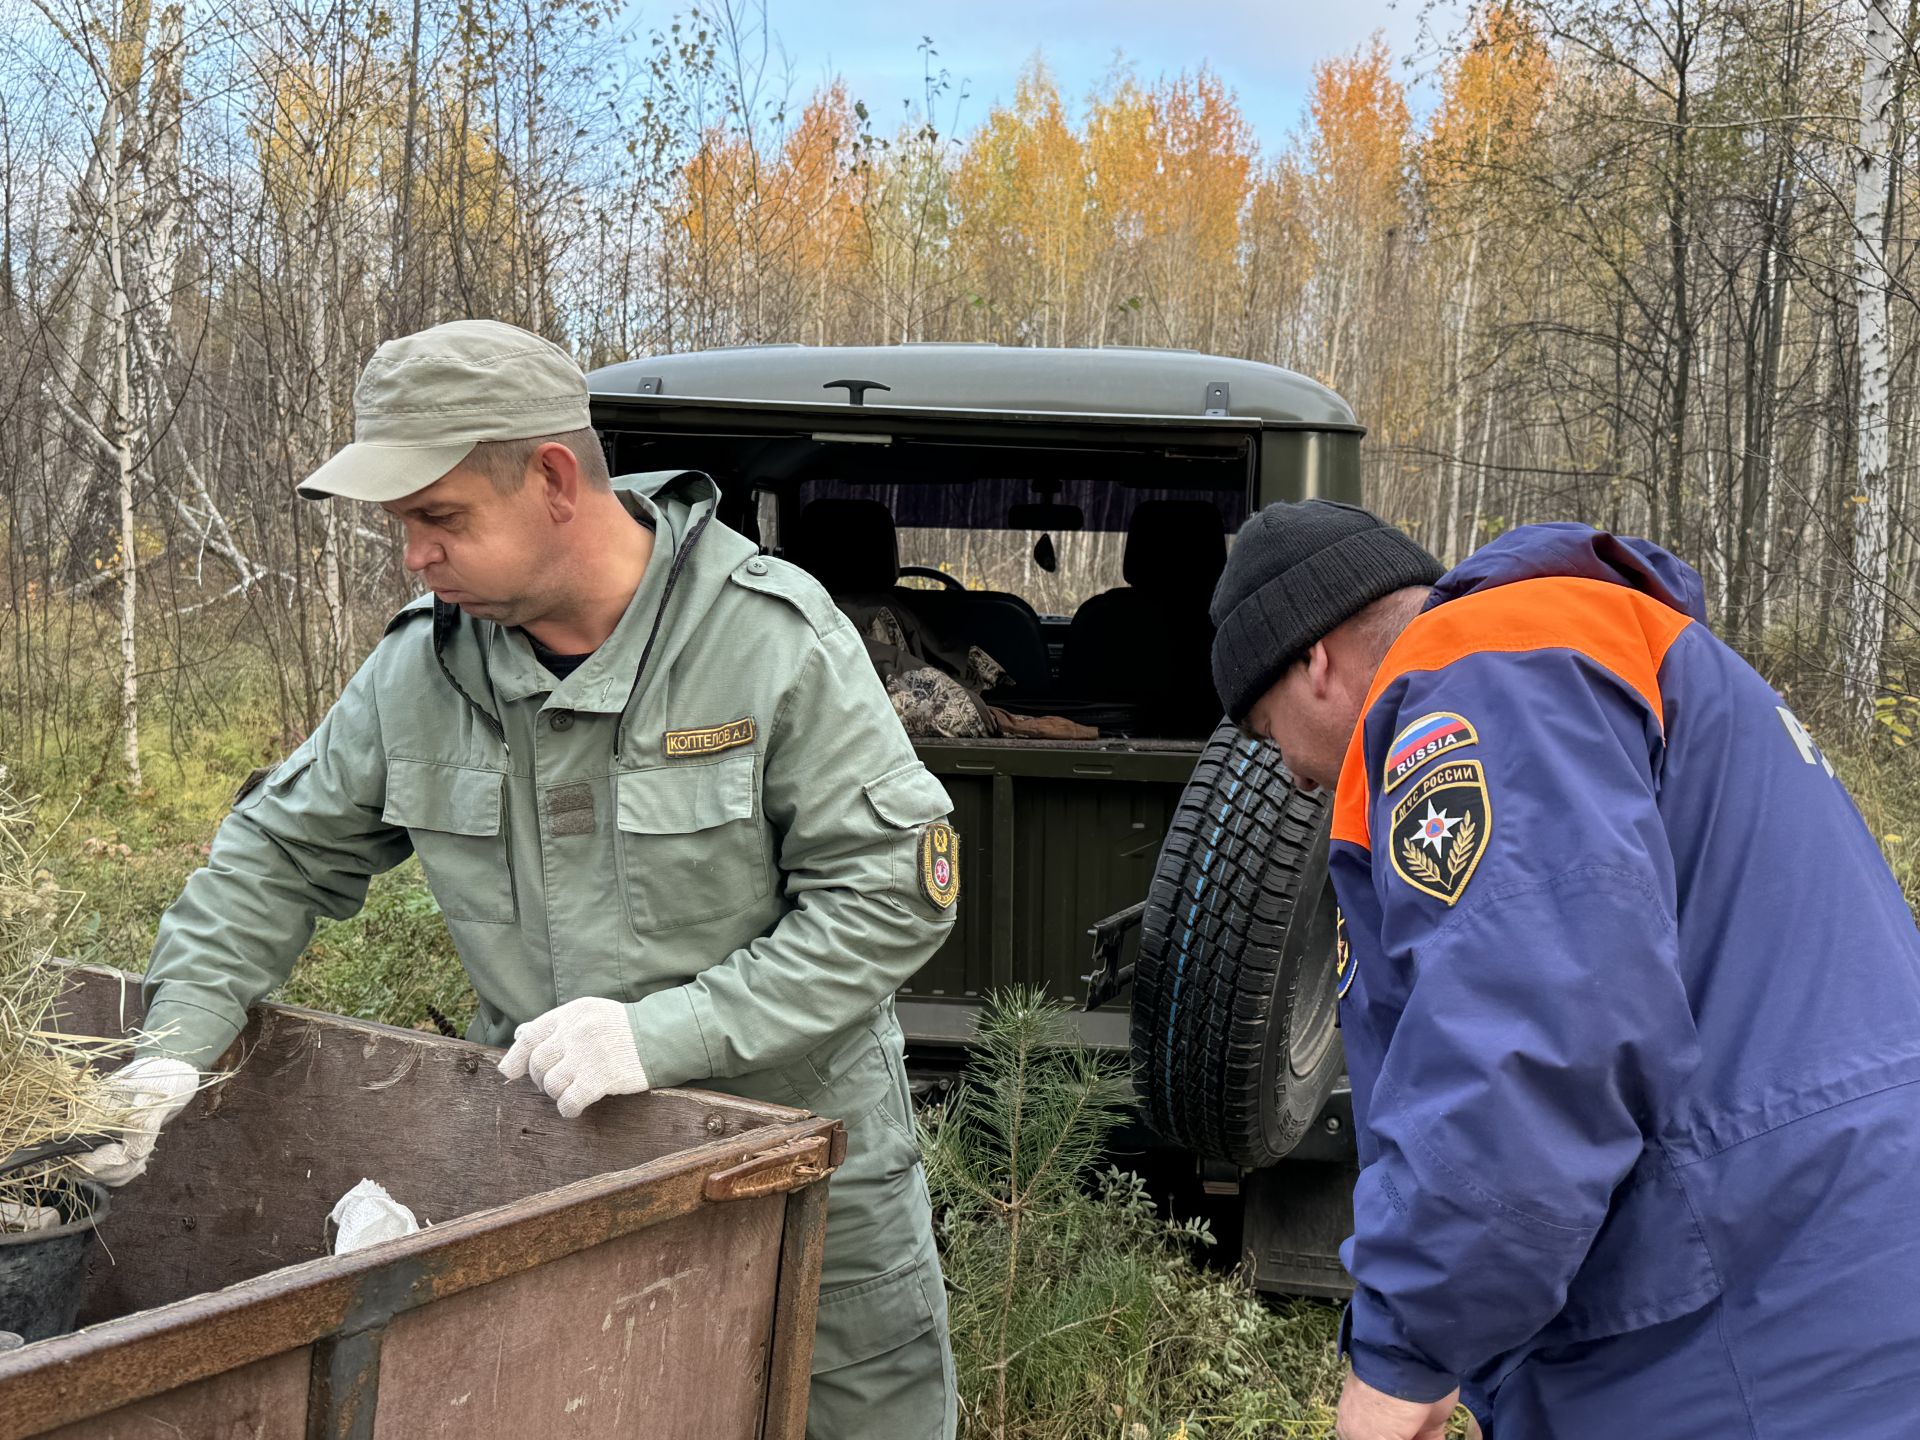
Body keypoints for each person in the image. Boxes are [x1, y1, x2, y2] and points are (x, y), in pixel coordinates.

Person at [75, 319, 960, 1439]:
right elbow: (277, 853)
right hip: (554, 1166)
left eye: (439, 518)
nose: (414, 557)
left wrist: (668, 1033)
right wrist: (172, 1049)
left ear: (551, 481)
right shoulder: (423, 669)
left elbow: (889, 896)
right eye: (402, 526)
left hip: (796, 1166)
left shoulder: (768, 642)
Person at [1209, 501, 1920, 1439]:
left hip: (1743, 1329)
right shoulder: (1605, 652)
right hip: (1829, 1268)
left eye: (1268, 732)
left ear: (1314, 662)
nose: (1292, 777)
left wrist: (1404, 1358)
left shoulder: (1476, 673)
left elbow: (1530, 1049)